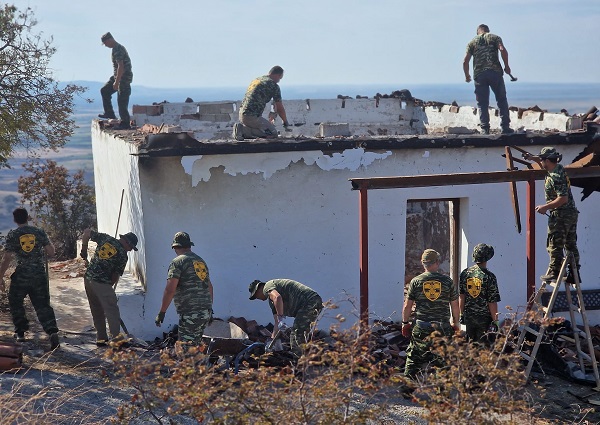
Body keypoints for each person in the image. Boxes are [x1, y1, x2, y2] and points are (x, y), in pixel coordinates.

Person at [0, 208, 60, 349]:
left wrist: (0, 276)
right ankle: (52, 331)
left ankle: (20, 332)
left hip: (21, 275)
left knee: (15, 301)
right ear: (28, 217)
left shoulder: (13, 235)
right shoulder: (39, 232)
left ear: (15, 220)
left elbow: (7, 258)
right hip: (39, 275)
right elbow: (51, 252)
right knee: (43, 305)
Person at [523, 147, 580, 282]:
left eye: (542, 160)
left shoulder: (555, 176)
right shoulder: (558, 168)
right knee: (570, 245)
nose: (541, 162)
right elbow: (545, 160)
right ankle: (574, 273)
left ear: (547, 161)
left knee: (554, 243)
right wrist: (532, 158)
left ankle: (555, 272)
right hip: (570, 213)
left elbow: (563, 198)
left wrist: (545, 207)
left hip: (561, 215)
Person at [402, 249, 460, 378]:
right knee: (443, 361)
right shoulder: (447, 281)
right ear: (437, 262)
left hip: (421, 326)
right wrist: (455, 323)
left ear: (423, 263)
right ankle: (442, 394)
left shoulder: (416, 281)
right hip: (442, 328)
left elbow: (407, 306)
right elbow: (455, 305)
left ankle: (407, 390)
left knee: (414, 360)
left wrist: (405, 323)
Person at [80, 228, 138, 345]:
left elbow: (86, 232)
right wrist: (107, 288)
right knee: (112, 310)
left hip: (88, 279)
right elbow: (114, 277)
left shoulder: (105, 238)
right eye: (131, 247)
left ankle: (101, 338)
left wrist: (84, 249)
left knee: (96, 310)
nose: (130, 250)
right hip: (101, 282)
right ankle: (117, 340)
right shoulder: (123, 255)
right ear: (127, 243)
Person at [155, 232, 214, 344]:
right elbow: (209, 287)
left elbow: (170, 289)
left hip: (190, 313)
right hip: (205, 311)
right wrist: (210, 310)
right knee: (195, 347)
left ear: (175, 247)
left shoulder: (178, 262)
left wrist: (162, 312)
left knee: (186, 351)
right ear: (189, 245)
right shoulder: (200, 261)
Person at [249, 278, 322, 356]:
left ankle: (299, 361)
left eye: (256, 295)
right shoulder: (272, 302)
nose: (257, 298)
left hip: (309, 301)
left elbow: (277, 297)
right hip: (312, 302)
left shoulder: (267, 286)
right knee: (301, 334)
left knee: (296, 334)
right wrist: (273, 341)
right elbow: (277, 323)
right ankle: (304, 359)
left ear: (258, 289)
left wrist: (280, 318)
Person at [463, 24, 514, 135]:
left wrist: (467, 75)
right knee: (501, 100)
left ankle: (485, 129)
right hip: (495, 72)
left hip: (479, 75)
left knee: (482, 103)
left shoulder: (472, 42)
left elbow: (465, 61)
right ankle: (505, 127)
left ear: (478, 32)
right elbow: (502, 50)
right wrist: (507, 66)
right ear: (488, 30)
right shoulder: (495, 37)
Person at [233, 66, 290, 140]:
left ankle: (243, 129)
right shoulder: (273, 85)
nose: (279, 81)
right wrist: (285, 122)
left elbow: (275, 104)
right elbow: (279, 107)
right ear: (277, 75)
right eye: (280, 78)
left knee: (264, 129)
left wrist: (273, 115)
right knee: (273, 133)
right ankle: (243, 131)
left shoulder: (257, 80)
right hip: (252, 117)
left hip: (242, 114)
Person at [459, 243, 501, 342]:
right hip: (484, 320)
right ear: (487, 258)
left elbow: (461, 296)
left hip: (469, 317)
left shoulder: (465, 274)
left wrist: (461, 314)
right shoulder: (489, 277)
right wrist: (496, 321)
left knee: (471, 347)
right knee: (483, 350)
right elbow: (492, 302)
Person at [99, 32, 133, 130]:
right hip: (117, 77)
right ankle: (109, 114)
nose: (105, 46)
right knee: (104, 90)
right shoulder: (115, 49)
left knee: (122, 101)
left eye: (105, 43)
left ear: (110, 40)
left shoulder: (118, 49)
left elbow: (120, 66)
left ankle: (125, 123)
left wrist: (117, 82)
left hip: (123, 78)